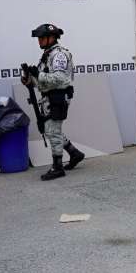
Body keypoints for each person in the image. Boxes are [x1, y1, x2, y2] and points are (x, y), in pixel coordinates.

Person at [21, 23, 85, 180]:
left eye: (42, 38)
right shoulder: (47, 55)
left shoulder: (59, 55)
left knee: (52, 130)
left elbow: (60, 78)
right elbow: (44, 82)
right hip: (49, 97)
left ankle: (58, 167)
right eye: (38, 38)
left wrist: (39, 75)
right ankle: (75, 153)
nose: (39, 41)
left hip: (59, 96)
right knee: (52, 130)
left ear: (52, 37)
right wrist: (30, 79)